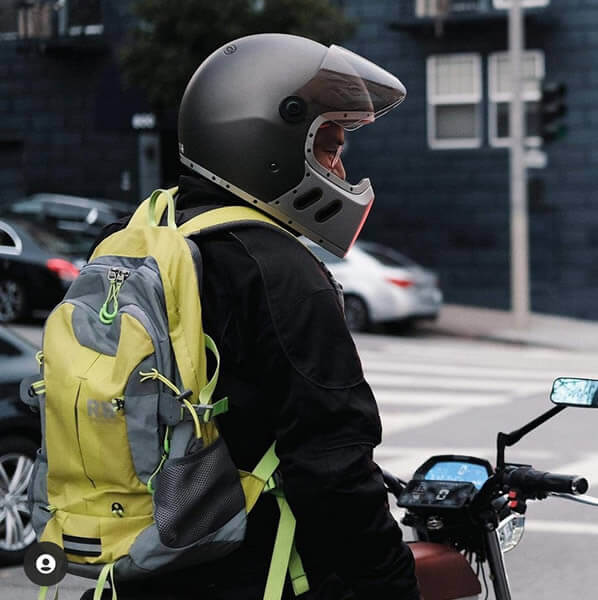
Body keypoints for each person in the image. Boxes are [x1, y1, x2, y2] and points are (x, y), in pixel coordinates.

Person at [88, 33, 419, 600]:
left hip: (145, 561)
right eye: (329, 147)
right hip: (257, 569)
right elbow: (332, 462)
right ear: (271, 140)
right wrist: (391, 580)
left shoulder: (154, 238)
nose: (340, 170)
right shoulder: (280, 269)